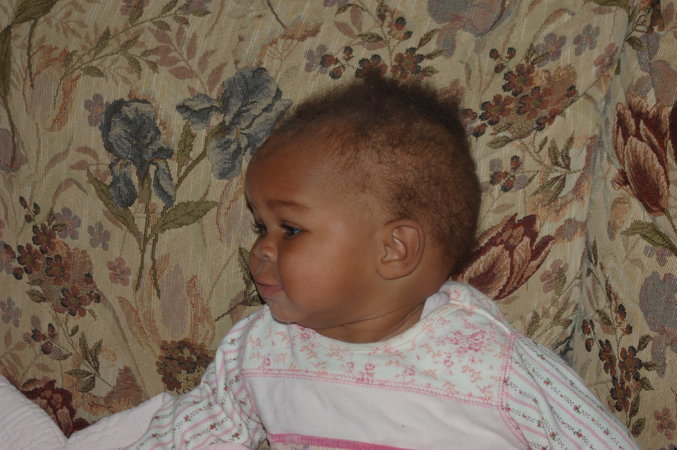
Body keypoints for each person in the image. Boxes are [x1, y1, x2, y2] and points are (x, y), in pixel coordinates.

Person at [2, 76, 639, 449]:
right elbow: (195, 431)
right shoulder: (262, 348)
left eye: (290, 228)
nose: (261, 248)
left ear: (394, 249)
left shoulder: (492, 367)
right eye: (262, 225)